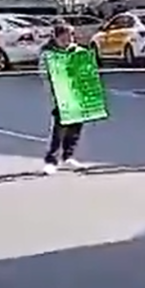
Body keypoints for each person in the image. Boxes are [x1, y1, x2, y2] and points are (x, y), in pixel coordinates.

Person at [39, 21, 85, 175]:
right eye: (64, 39)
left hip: (77, 95)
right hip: (59, 96)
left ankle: (68, 156)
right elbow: (45, 76)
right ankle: (51, 161)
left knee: (76, 126)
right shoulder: (48, 54)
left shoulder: (78, 51)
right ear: (56, 38)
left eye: (71, 37)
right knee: (59, 129)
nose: (68, 41)